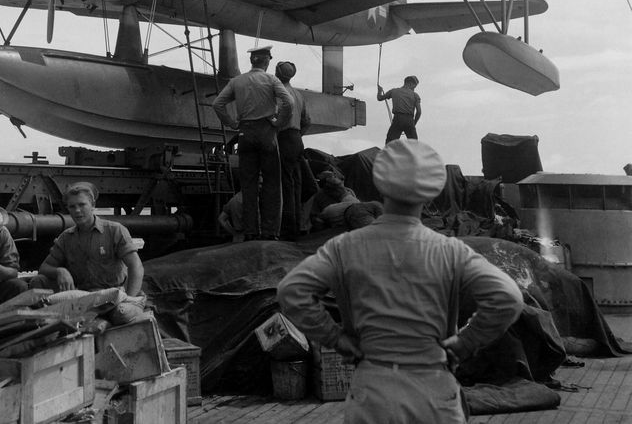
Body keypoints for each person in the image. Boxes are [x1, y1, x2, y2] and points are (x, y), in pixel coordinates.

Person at [277, 139, 524, 424]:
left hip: (373, 391)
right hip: (434, 390)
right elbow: (507, 297)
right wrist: (465, 343)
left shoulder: (344, 248)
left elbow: (292, 291)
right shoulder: (450, 251)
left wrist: (337, 339)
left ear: (380, 184)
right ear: (430, 191)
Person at [31, 182, 149, 325]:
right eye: (72, 207)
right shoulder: (66, 238)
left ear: (93, 205)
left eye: (82, 205)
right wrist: (60, 271)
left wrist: (130, 298)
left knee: (122, 314)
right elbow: (44, 268)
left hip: (114, 295)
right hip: (84, 296)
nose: (77, 210)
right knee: (38, 282)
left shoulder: (114, 230)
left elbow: (136, 266)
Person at [212, 45, 293, 241]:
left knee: (248, 185)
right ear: (267, 61)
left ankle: (250, 231)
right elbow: (288, 102)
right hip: (266, 132)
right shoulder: (271, 79)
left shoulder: (237, 81)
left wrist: (232, 123)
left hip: (245, 132)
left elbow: (217, 104)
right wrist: (278, 122)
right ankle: (270, 232)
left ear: (252, 61)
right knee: (272, 183)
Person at [275, 61, 310, 240]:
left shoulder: (278, 93)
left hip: (284, 138)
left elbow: (271, 117)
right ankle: (296, 227)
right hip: (296, 139)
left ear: (277, 73)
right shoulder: (298, 94)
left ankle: (287, 230)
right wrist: (297, 135)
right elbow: (307, 121)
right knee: (296, 185)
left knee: (285, 185)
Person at [378, 75, 422, 143]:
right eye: (414, 86)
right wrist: (414, 123)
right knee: (414, 144)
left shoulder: (394, 91)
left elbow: (380, 98)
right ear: (410, 83)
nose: (414, 88)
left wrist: (379, 91)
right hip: (409, 120)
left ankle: (389, 153)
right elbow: (419, 112)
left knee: (390, 143)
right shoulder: (415, 95)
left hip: (398, 119)